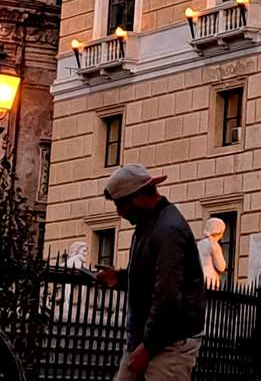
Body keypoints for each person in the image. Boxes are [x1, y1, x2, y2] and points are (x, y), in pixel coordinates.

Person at [93, 163, 205, 381]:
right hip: (148, 339)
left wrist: (148, 347)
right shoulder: (151, 225)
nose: (119, 213)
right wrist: (120, 278)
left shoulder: (167, 230)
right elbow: (154, 278)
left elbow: (168, 296)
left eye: (121, 205)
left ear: (137, 197)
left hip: (170, 343)